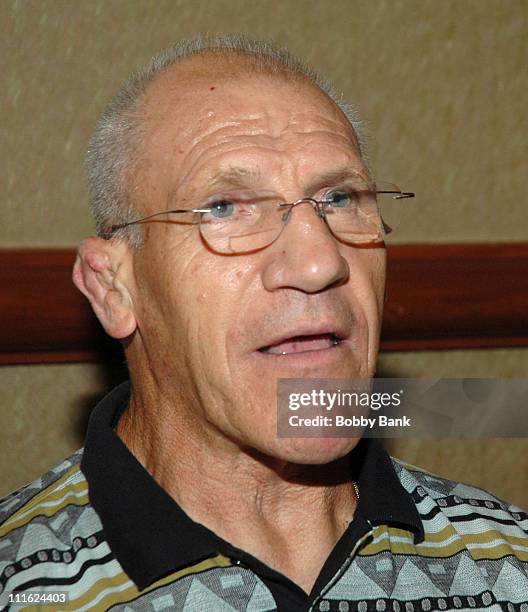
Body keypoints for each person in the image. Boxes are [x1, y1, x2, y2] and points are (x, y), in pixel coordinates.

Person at [1, 36, 527, 611]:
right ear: (113, 288)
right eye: (225, 208)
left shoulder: (509, 562)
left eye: (339, 198)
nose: (319, 261)